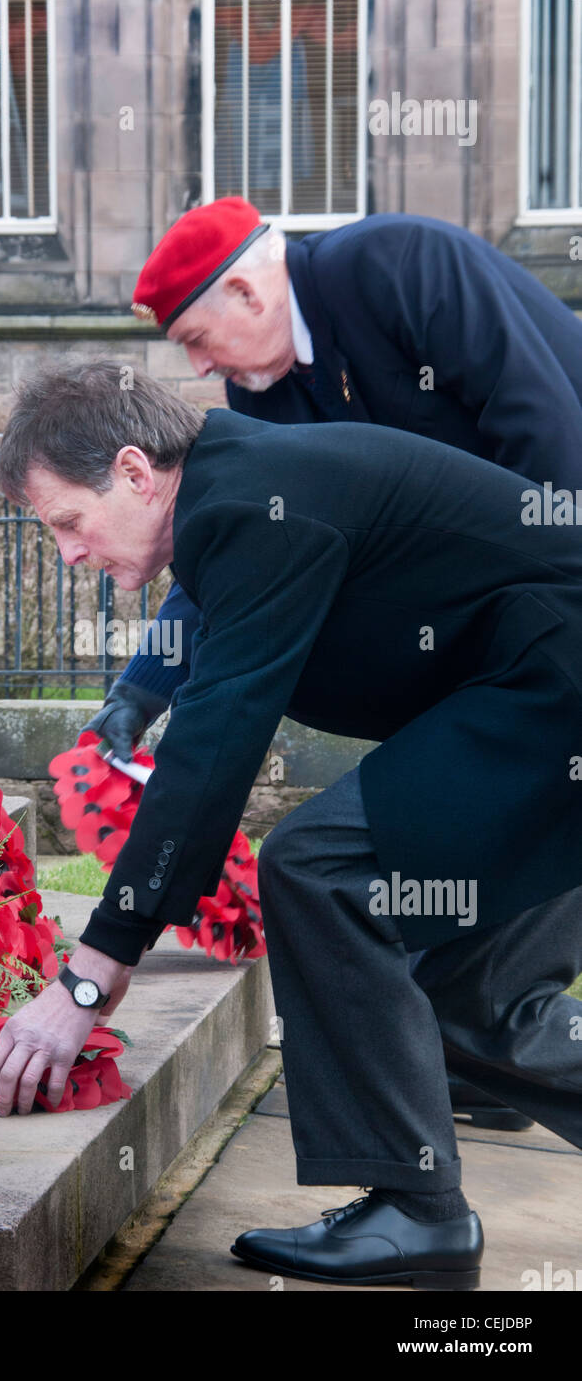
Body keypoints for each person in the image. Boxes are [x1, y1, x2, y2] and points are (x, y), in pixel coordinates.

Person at [0, 361, 582, 1290]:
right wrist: (136, 699)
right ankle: (413, 1210)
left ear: (136, 473)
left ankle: (416, 1217)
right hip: (544, 698)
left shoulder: (250, 503)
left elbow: (217, 746)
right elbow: (203, 604)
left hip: (557, 692)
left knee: (316, 865)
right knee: (467, 1007)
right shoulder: (237, 483)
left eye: (67, 522)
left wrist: (93, 974)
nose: (67, 554)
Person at [89, 196, 582, 1132]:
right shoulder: (263, 393)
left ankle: (445, 1128)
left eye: (198, 337)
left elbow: (546, 428)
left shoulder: (399, 263)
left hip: (549, 613)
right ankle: (475, 1074)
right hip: (497, 650)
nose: (197, 366)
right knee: (457, 981)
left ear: (244, 288)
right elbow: (228, 558)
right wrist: (141, 689)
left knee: (431, 921)